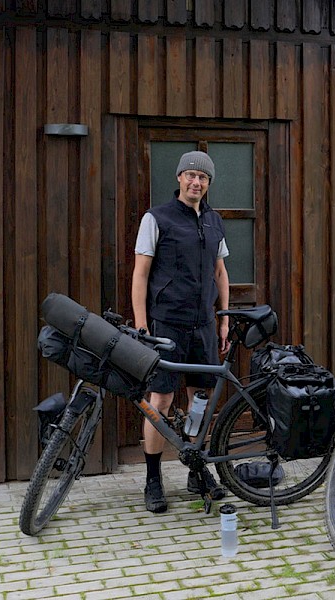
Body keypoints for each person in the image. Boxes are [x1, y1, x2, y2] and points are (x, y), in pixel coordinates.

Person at [131, 150, 231, 513]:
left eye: (203, 178)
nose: (196, 182)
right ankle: (153, 479)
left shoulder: (214, 221)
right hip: (167, 325)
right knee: (160, 401)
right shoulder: (156, 218)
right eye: (190, 175)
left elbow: (220, 272)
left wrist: (223, 319)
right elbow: (141, 274)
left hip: (203, 325)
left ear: (208, 183)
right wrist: (141, 324)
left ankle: (195, 469)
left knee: (201, 400)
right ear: (179, 178)